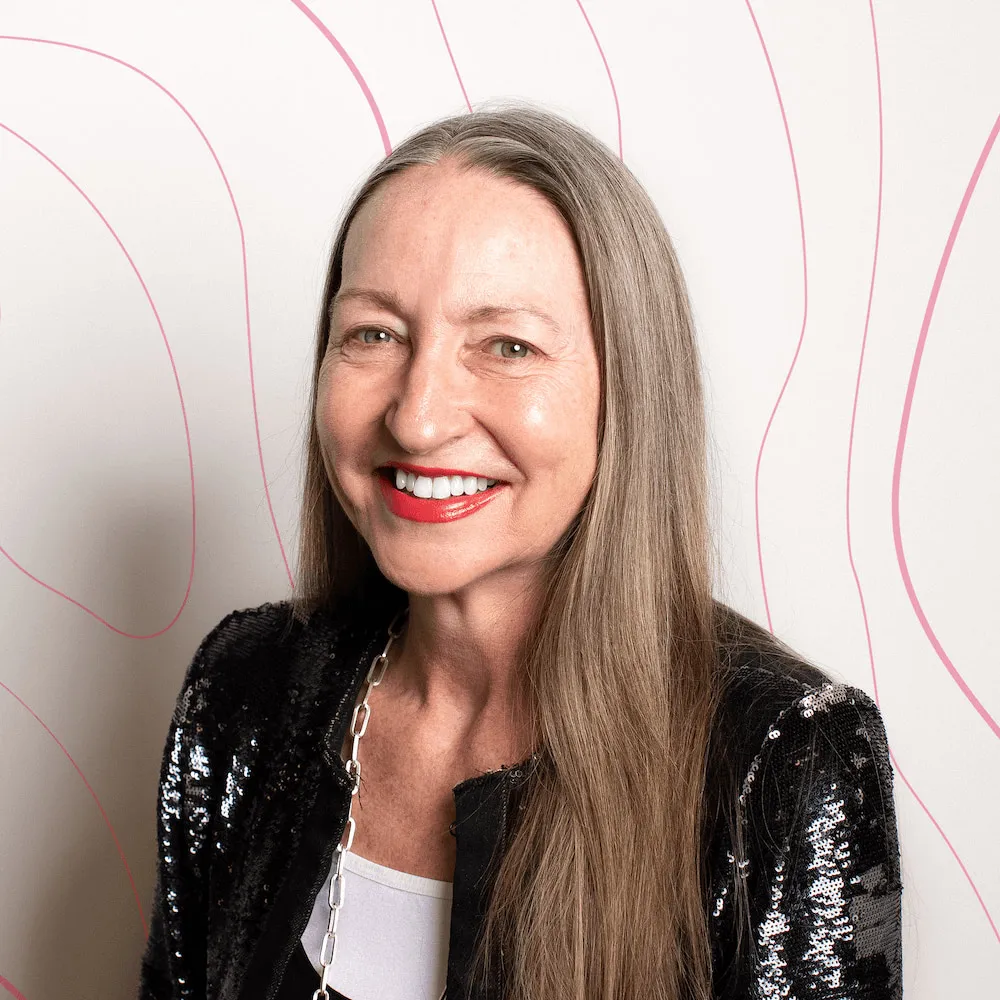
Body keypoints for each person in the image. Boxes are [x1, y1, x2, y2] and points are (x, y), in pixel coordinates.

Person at [138, 104, 902, 1000]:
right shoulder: (246, 688)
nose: (417, 418)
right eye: (375, 334)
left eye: (508, 346)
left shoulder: (783, 759)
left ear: (628, 393)